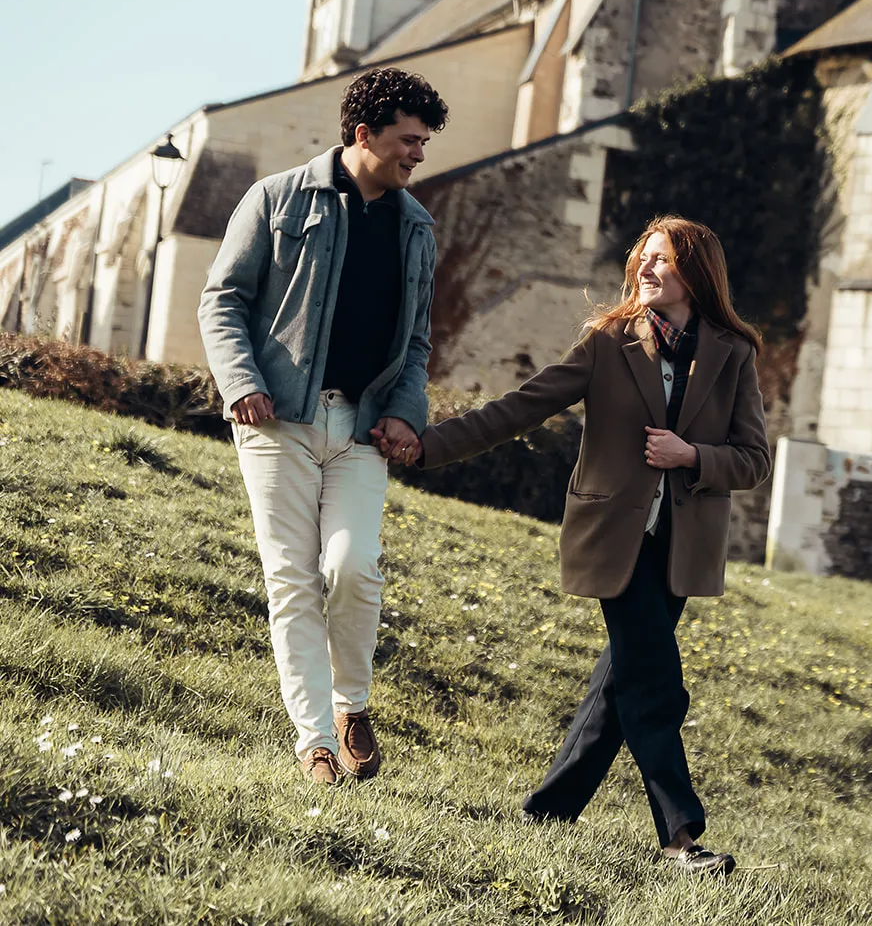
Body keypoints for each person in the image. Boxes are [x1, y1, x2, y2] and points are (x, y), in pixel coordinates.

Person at [402, 216, 769, 875]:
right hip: (612, 538)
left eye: (662, 260)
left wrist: (693, 455)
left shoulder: (732, 353)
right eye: (643, 259)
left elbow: (752, 461)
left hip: (682, 549)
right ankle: (681, 839)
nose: (646, 270)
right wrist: (427, 448)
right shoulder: (608, 343)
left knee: (619, 684)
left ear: (696, 272)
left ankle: (548, 813)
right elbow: (521, 407)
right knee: (655, 683)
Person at [197, 68, 447, 786]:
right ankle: (313, 744)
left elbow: (418, 343)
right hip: (278, 422)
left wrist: (405, 411)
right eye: (408, 140)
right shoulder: (276, 199)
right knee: (291, 579)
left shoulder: (417, 228)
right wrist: (241, 384)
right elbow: (223, 301)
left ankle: (353, 705)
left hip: (363, 429)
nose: (418, 156)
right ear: (362, 134)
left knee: (352, 566)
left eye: (424, 142)